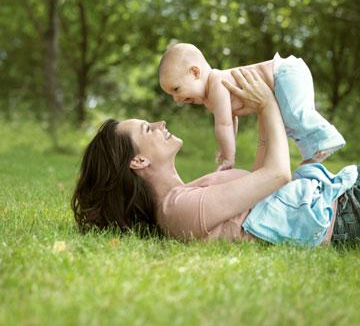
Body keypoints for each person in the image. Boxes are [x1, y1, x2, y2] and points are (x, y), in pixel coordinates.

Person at [72, 69, 359, 246]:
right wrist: (268, 105)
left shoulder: (186, 194)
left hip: (339, 194)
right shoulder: (178, 211)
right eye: (148, 128)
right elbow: (277, 175)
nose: (160, 125)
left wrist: (261, 110)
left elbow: (262, 180)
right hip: (344, 212)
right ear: (138, 161)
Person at [158, 43, 345, 170]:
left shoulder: (216, 83)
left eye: (176, 89)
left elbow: (224, 125)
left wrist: (228, 157)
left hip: (284, 73)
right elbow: (232, 120)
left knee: (294, 114)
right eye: (172, 95)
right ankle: (313, 154)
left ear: (195, 72)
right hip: (288, 74)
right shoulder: (212, 93)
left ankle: (327, 136)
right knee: (289, 125)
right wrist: (226, 147)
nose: (177, 99)